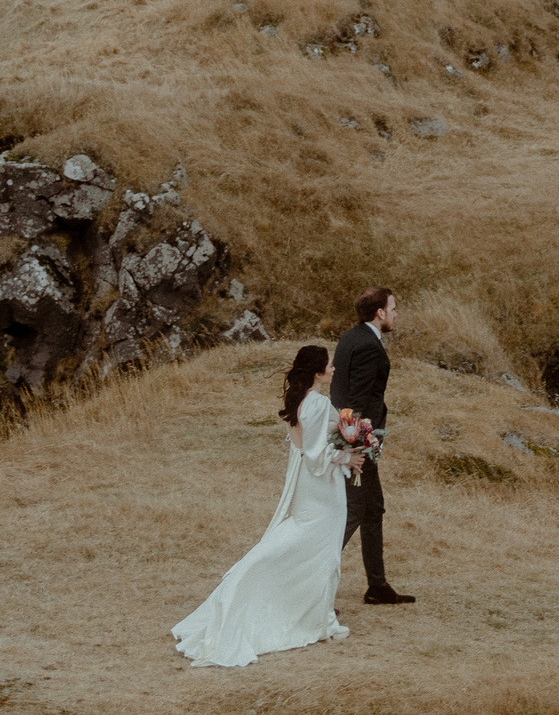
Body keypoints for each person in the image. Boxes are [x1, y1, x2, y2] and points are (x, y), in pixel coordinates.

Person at [171, 346, 356, 667]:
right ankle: (315, 617)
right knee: (321, 550)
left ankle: (321, 615)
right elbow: (315, 455)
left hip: (308, 485)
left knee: (314, 547)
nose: (334, 368)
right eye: (329, 364)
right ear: (316, 371)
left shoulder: (303, 401)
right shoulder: (318, 403)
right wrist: (349, 457)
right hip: (321, 489)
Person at [332, 286, 416, 605]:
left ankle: (377, 585)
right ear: (379, 313)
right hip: (358, 442)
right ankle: (309, 583)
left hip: (353, 437)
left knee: (372, 508)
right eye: (393, 308)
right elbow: (355, 400)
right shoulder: (368, 345)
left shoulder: (350, 337)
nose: (395, 313)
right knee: (353, 511)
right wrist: (359, 446)